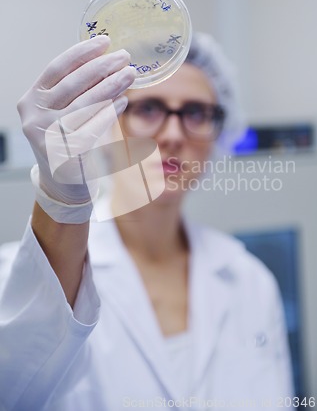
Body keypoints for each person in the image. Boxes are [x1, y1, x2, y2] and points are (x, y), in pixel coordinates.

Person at [0, 33, 294, 411]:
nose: (173, 135)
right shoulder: (17, 281)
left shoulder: (252, 283)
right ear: (107, 120)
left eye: (195, 113)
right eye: (150, 109)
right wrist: (60, 201)